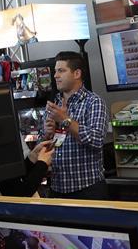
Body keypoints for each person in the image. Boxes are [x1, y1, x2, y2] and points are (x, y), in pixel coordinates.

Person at [44, 52, 109, 200]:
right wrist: (47, 135)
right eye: (55, 71)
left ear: (77, 74)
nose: (55, 75)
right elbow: (41, 148)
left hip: (87, 190)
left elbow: (96, 140)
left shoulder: (94, 102)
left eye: (61, 71)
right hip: (57, 190)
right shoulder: (54, 105)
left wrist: (64, 120)